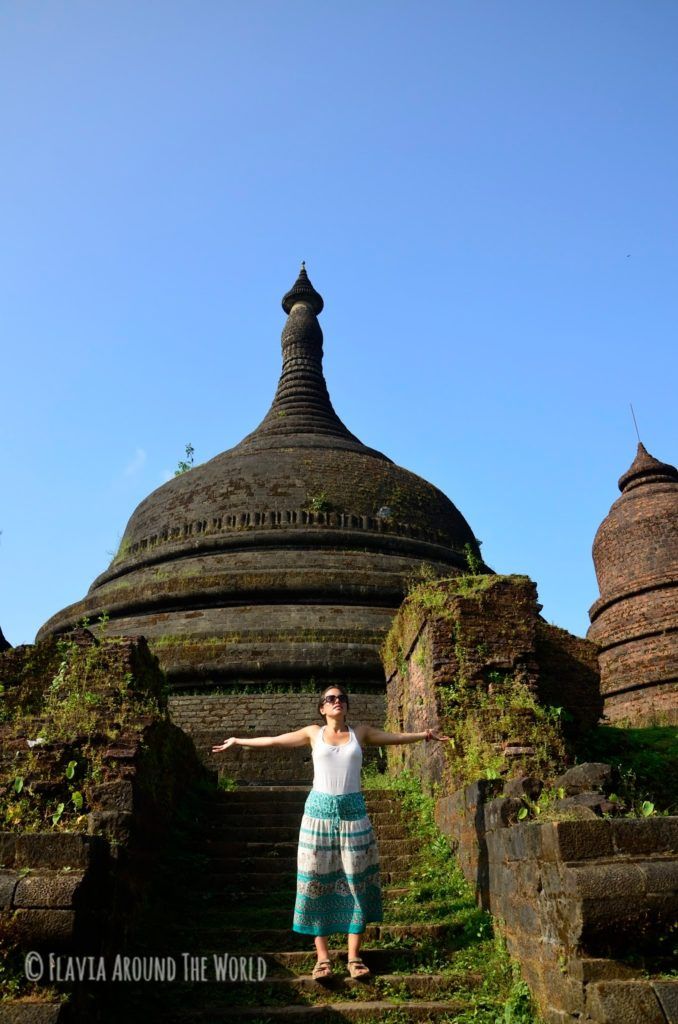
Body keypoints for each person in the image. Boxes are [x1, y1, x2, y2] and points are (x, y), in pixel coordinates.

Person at [211, 685, 449, 981]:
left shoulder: (359, 733)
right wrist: (238, 740)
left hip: (353, 815)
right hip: (317, 816)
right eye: (330, 699)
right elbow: (274, 741)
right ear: (322, 708)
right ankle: (322, 958)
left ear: (347, 705)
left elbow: (394, 738)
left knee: (356, 881)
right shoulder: (313, 733)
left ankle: (354, 956)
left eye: (341, 698)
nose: (337, 702)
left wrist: (424, 735)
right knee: (315, 880)